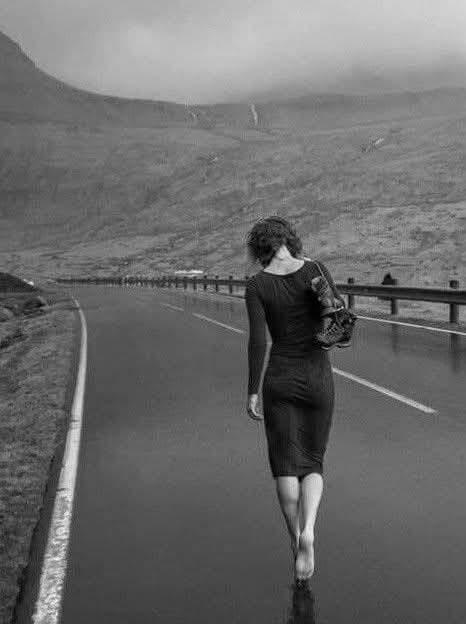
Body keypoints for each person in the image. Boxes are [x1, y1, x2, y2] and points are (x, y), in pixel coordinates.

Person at [244, 216, 342, 581]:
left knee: (285, 466)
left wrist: (252, 389)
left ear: (259, 247)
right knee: (313, 462)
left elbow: (258, 341)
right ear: (291, 239)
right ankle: (310, 529)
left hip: (280, 380)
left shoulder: (257, 284)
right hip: (317, 377)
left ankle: (295, 537)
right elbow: (339, 317)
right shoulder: (316, 269)